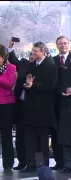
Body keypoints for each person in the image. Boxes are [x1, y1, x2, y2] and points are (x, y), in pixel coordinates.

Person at [21, 42, 58, 172]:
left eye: (36, 51)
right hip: (30, 108)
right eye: (33, 51)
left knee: (42, 140)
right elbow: (26, 80)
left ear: (43, 51)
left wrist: (34, 86)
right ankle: (31, 164)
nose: (33, 53)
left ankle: (42, 165)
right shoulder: (31, 65)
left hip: (43, 109)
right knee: (31, 139)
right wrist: (27, 84)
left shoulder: (50, 66)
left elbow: (51, 86)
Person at [7, 40, 36, 170]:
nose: (31, 55)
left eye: (34, 53)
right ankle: (21, 161)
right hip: (19, 106)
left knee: (31, 137)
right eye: (31, 53)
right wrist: (10, 48)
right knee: (19, 136)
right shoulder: (23, 64)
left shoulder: (41, 68)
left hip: (33, 108)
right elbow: (13, 60)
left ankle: (33, 163)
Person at [54, 36, 71, 173]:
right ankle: (64, 163)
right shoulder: (53, 61)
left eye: (65, 43)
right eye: (60, 44)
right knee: (62, 136)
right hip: (58, 103)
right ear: (57, 46)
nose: (63, 45)